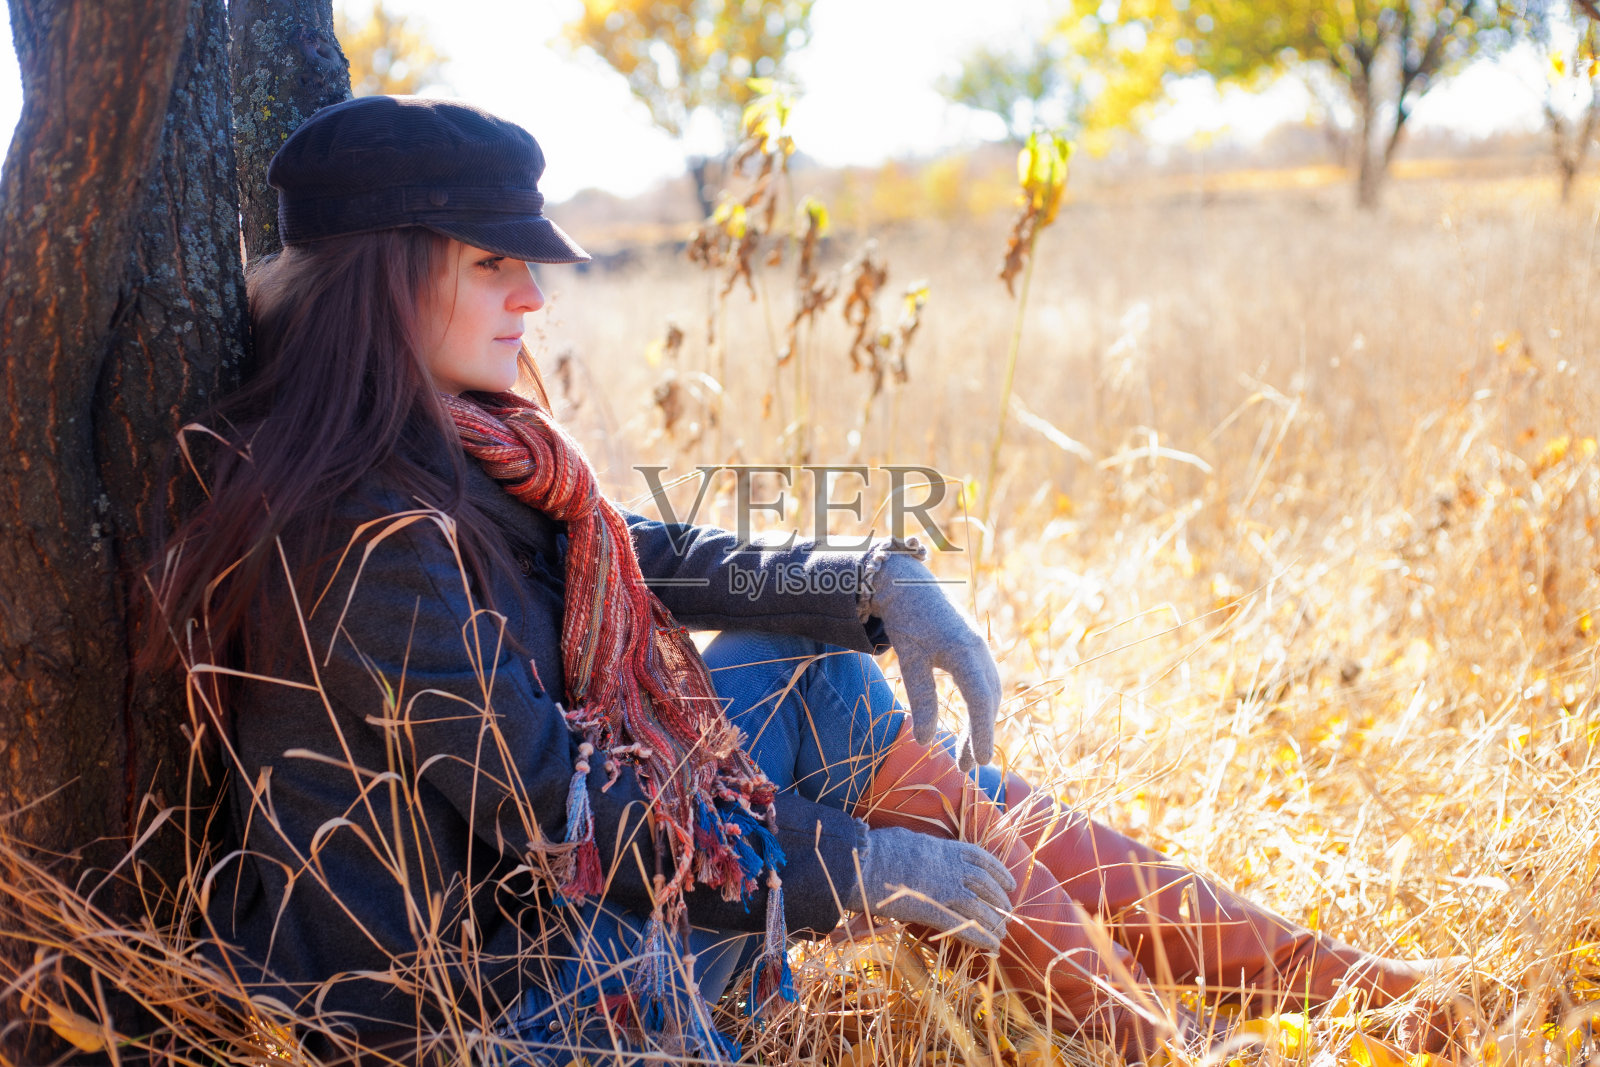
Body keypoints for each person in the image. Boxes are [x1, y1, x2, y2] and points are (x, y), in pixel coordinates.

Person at [151, 96, 1455, 1066]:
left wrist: (874, 580)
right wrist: (868, 870)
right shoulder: (352, 526)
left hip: (558, 923)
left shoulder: (453, 448)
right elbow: (571, 811)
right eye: (494, 261)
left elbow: (649, 555)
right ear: (388, 270)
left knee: (835, 688)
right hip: (487, 1006)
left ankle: (1343, 995)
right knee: (895, 801)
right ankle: (1261, 1024)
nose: (532, 296)